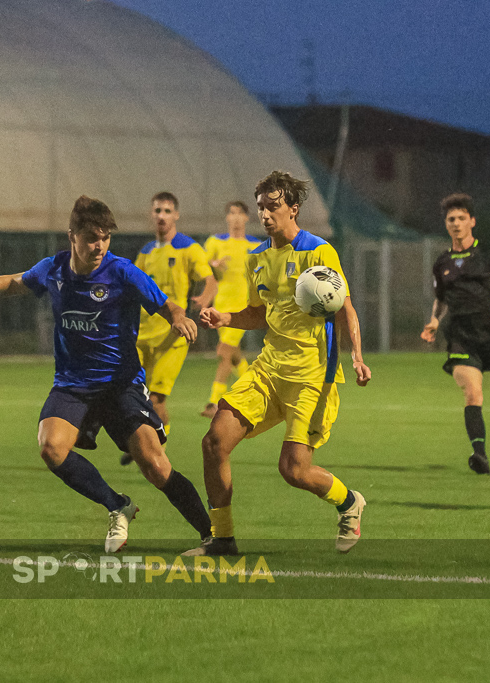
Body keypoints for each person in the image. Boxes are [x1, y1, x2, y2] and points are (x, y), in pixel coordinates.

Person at [0, 195, 211, 552]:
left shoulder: (122, 271)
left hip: (120, 384)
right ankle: (117, 505)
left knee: (155, 466)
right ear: (72, 236)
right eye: (92, 237)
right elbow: (14, 282)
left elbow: (165, 302)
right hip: (73, 386)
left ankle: (212, 533)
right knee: (51, 447)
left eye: (105, 237)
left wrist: (179, 317)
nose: (99, 245)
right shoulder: (54, 269)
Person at [185, 171, 372, 557]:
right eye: (261, 208)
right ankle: (222, 538)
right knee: (214, 441)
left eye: (273, 207)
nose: (265, 215)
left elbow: (345, 307)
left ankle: (349, 501)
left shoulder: (319, 252)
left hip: (312, 377)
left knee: (294, 470)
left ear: (293, 208)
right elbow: (257, 313)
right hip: (269, 369)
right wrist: (225, 318)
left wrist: (357, 355)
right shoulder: (258, 259)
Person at [420, 193, 490, 475]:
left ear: (472, 221)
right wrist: (434, 321)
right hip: (460, 336)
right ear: (446, 225)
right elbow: (441, 299)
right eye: (450, 219)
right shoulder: (441, 262)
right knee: (473, 392)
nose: (456, 223)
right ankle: (479, 454)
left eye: (461, 218)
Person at [132, 192, 217, 436]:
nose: (162, 216)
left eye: (167, 211)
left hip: (172, 336)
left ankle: (159, 453)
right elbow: (132, 286)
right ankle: (146, 442)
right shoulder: (146, 252)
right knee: (135, 397)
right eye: (158, 210)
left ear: (176, 215)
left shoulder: (188, 248)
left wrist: (203, 301)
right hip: (142, 336)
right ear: (152, 214)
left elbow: (211, 281)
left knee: (157, 399)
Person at [199, 201, 263, 418]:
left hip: (242, 308)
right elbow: (208, 275)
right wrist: (214, 269)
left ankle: (214, 402)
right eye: (232, 213)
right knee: (233, 356)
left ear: (247, 218)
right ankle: (257, 390)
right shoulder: (215, 242)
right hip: (221, 306)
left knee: (223, 352)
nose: (236, 217)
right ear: (227, 218)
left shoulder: (256, 246)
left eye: (240, 213)